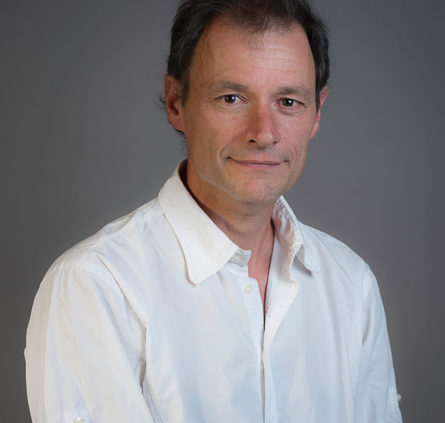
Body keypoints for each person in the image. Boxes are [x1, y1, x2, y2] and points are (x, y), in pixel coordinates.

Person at [25, 0, 403, 422]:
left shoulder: (352, 284)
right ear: (176, 103)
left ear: (317, 112)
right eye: (232, 98)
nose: (264, 133)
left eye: (288, 101)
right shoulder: (98, 286)